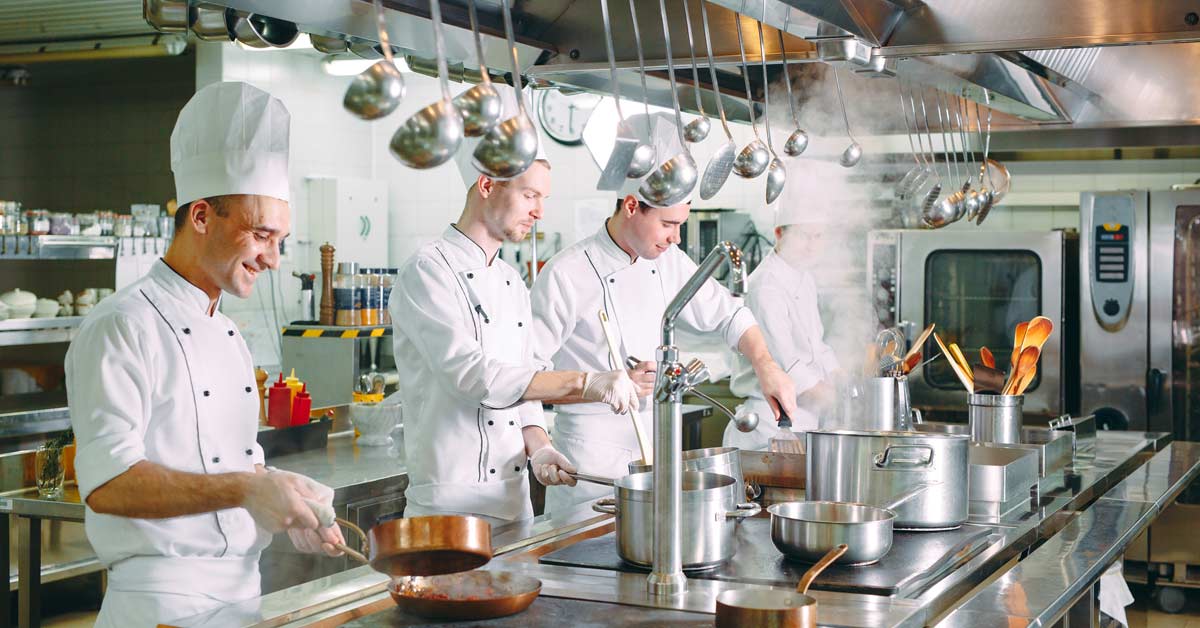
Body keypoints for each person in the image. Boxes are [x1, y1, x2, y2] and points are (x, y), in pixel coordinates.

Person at [66, 82, 345, 628]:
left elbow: (231, 457)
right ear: (200, 217)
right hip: (161, 606)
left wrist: (286, 505)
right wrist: (247, 490)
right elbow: (107, 484)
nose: (274, 259)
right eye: (262, 235)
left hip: (243, 597)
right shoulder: (121, 327)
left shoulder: (230, 336)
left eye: (281, 240)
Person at [389, 86, 641, 525]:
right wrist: (586, 382)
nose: (540, 211)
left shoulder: (510, 279)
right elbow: (475, 376)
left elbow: (522, 381)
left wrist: (539, 445)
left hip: (512, 503)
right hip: (449, 509)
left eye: (543, 198)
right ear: (486, 185)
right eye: (530, 196)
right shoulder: (427, 272)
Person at [530, 113, 798, 513]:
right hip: (587, 468)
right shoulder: (566, 274)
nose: (676, 237)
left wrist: (766, 365)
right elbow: (523, 379)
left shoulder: (668, 260)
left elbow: (729, 315)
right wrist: (597, 386)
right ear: (633, 205)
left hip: (651, 455)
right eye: (669, 224)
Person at [726, 167, 841, 451]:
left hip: (804, 420)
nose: (812, 245)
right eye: (803, 236)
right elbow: (786, 364)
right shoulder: (767, 286)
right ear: (779, 233)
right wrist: (839, 403)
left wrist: (842, 379)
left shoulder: (804, 276)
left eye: (818, 236)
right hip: (770, 423)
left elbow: (817, 347)